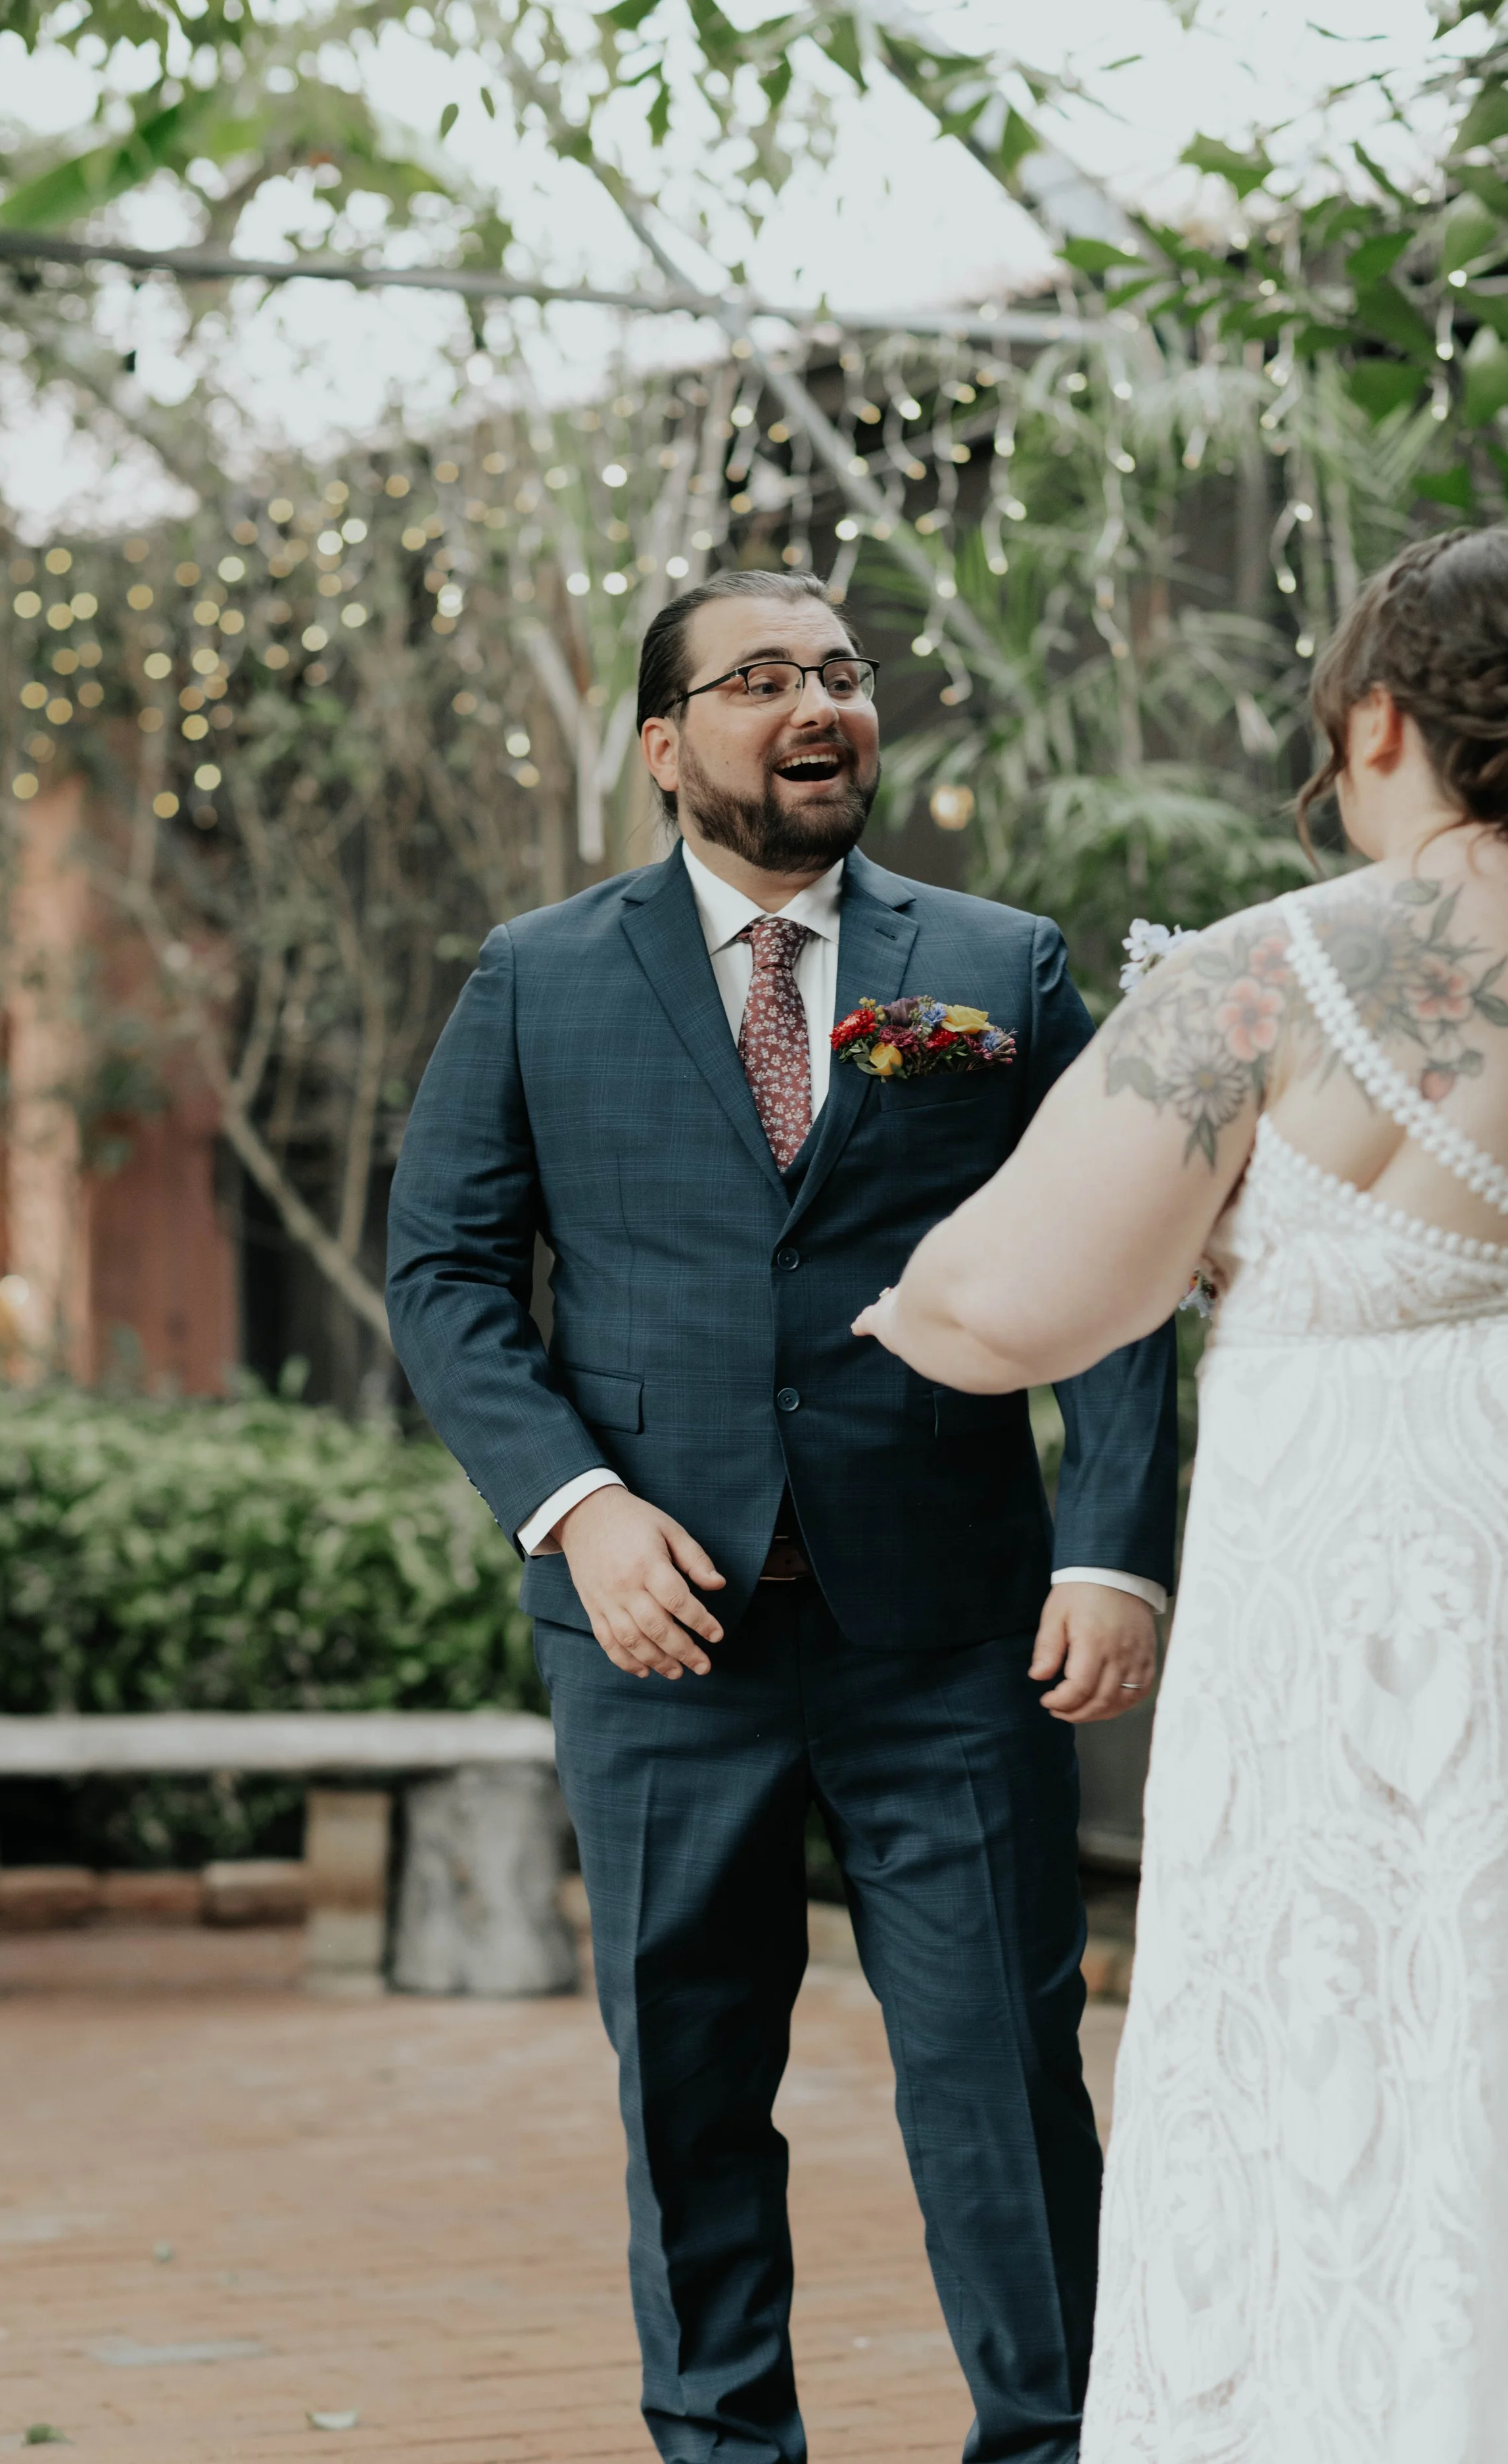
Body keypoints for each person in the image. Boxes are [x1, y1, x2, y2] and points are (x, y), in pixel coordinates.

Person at [386, 565, 1177, 2464]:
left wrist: (1108, 1544)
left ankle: (1055, 2437)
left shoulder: (995, 967)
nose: (816, 703)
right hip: (661, 1640)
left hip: (950, 1629)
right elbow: (445, 1272)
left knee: (1000, 2069)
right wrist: (576, 1510)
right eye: (758, 679)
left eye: (839, 672)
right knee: (688, 2073)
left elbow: (1124, 1264)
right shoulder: (537, 975)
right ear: (664, 747)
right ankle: (725, 2447)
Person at [855, 527, 1508, 2463]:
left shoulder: (1267, 975)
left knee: (1337, 2021)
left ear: (1378, 715)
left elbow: (1013, 1301)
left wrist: (894, 1289)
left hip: (1346, 1606)